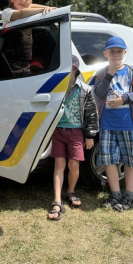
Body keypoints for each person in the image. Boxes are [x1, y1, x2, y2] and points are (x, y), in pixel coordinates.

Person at [93, 37, 133, 211]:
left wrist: (123, 99)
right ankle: (115, 193)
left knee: (130, 160)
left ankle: (129, 194)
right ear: (105, 53)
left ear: (124, 53)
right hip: (107, 124)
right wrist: (110, 72)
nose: (116, 55)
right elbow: (99, 92)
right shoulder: (101, 73)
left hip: (128, 124)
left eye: (119, 51)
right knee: (109, 159)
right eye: (112, 51)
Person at [47, 55, 98, 220]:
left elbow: (91, 114)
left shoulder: (84, 90)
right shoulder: (55, 88)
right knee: (59, 164)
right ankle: (57, 200)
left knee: (74, 165)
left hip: (76, 131)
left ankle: (70, 191)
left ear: (75, 69)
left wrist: (90, 135)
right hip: (58, 131)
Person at [1, 0, 57, 76]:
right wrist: (43, 9)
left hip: (25, 64)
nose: (23, 1)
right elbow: (22, 13)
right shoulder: (7, 12)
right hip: (9, 65)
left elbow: (29, 6)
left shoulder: (28, 10)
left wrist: (49, 8)